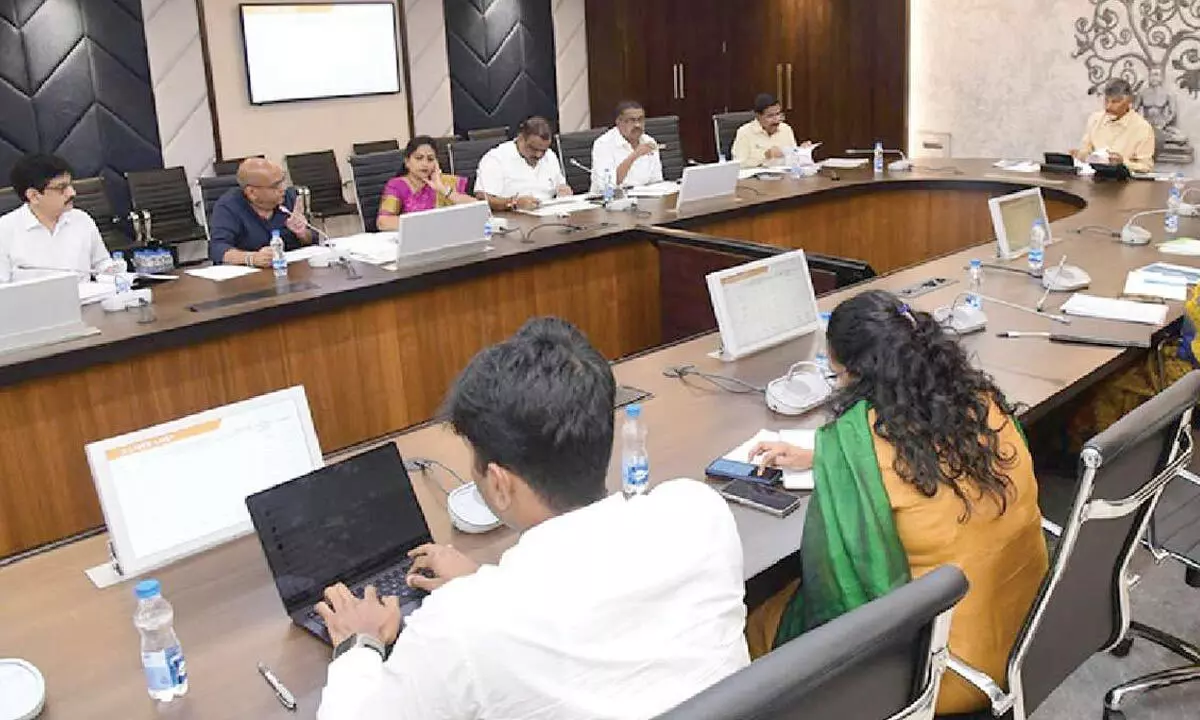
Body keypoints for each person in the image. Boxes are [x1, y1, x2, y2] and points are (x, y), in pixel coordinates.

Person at [314, 317, 749, 720]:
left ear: (500, 484)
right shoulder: (698, 511)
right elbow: (584, 595)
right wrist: (482, 585)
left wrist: (359, 643)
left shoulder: (460, 626)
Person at [743, 290, 1049, 716]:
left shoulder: (859, 444)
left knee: (759, 617)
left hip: (938, 673)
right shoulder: (983, 404)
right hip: (1030, 634)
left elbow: (837, 594)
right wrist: (825, 458)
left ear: (850, 371)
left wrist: (841, 459)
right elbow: (917, 464)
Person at [0, 153, 113, 283]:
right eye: (61, 188)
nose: (72, 193)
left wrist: (114, 273)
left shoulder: (82, 219)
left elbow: (102, 264)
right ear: (34, 196)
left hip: (84, 301)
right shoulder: (5, 230)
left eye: (70, 185)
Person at [207, 157, 315, 266]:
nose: (283, 189)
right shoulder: (229, 206)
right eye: (276, 185)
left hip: (290, 271)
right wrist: (251, 258)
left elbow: (312, 239)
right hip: (248, 278)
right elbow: (217, 248)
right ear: (252, 192)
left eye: (283, 182)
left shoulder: (288, 198)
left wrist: (303, 234)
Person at [376, 136, 476, 230]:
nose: (425, 164)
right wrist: (427, 224)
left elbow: (479, 209)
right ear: (407, 162)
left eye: (430, 159)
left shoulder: (446, 181)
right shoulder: (397, 185)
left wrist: (442, 189)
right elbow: (383, 222)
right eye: (419, 158)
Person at [475, 116, 572, 212]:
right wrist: (514, 203)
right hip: (511, 219)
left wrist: (563, 191)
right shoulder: (496, 158)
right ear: (521, 138)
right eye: (533, 149)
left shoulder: (550, 156)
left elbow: (560, 185)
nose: (539, 155)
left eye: (543, 150)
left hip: (549, 214)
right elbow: (482, 198)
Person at [1072, 78, 1156, 172]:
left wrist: (1123, 163)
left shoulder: (1142, 128)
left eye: (1115, 102)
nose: (1108, 107)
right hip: (1094, 178)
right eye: (1106, 101)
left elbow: (1146, 167)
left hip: (1124, 182)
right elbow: (1086, 149)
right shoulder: (1095, 119)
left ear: (1129, 102)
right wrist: (1080, 155)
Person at [590, 100, 664, 192]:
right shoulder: (603, 144)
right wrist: (634, 155)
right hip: (610, 201)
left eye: (640, 119)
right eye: (632, 120)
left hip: (644, 198)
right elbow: (608, 185)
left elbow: (657, 181)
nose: (637, 125)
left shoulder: (649, 141)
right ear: (618, 122)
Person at [730, 93, 812, 169]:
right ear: (758, 116)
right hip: (756, 182)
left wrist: (802, 151)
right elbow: (738, 165)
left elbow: (793, 160)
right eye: (770, 116)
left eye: (778, 114)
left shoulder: (786, 129)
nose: (776, 120)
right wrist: (765, 157)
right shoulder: (744, 132)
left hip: (784, 179)